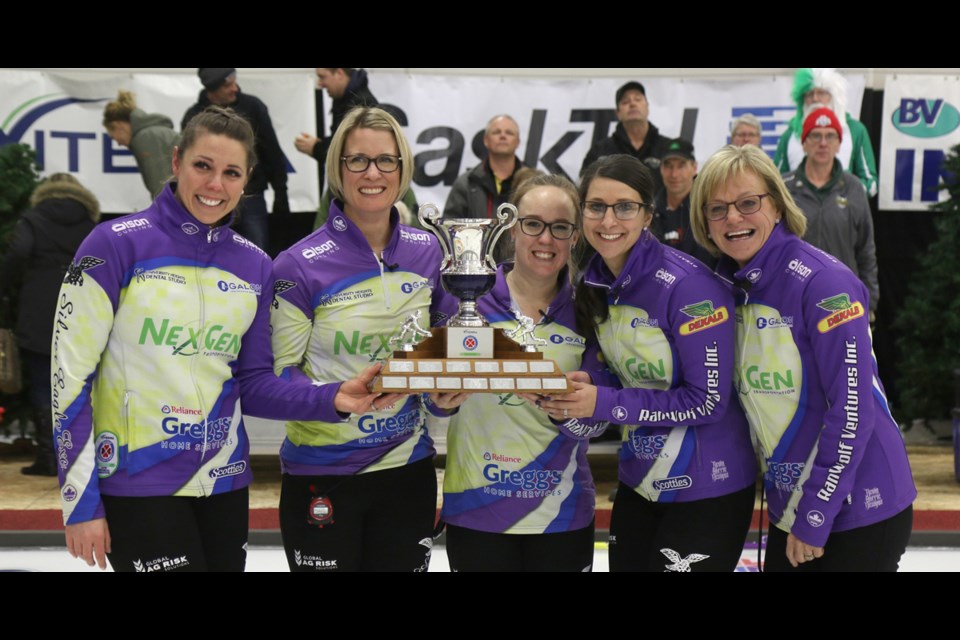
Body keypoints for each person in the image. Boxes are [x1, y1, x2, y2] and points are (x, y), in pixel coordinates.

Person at [53, 106, 388, 572]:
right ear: (176, 162)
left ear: (247, 180)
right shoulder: (113, 245)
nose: (215, 185)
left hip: (224, 484)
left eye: (231, 172)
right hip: (138, 482)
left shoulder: (255, 265)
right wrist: (80, 501)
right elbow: (68, 382)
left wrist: (334, 398)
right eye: (202, 166)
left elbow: (253, 382)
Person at [689, 144, 916, 571]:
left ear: (776, 205)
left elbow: (851, 411)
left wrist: (815, 514)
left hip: (857, 504)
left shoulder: (824, 282)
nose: (732, 218)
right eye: (716, 209)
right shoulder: (730, 288)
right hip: (790, 499)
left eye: (747, 202)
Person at [538, 154, 758, 572]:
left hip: (708, 486)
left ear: (647, 215)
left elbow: (708, 401)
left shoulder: (691, 287)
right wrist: (579, 388)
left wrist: (603, 402)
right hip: (640, 480)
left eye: (625, 207)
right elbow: (608, 369)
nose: (608, 220)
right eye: (596, 206)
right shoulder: (596, 281)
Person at [271, 107, 442, 572]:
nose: (373, 173)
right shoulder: (298, 264)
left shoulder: (431, 252)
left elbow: (443, 352)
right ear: (337, 169)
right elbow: (276, 379)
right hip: (323, 475)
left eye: (386, 161)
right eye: (357, 161)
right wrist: (335, 399)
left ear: (403, 169)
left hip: (407, 472)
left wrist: (447, 396)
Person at [433, 174, 610, 572]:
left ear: (576, 237)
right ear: (513, 228)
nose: (545, 239)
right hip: (478, 507)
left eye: (560, 227)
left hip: (560, 512)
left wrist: (567, 410)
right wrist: (440, 402)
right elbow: (439, 394)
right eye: (533, 224)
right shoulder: (465, 297)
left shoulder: (591, 310)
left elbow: (598, 425)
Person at [0, 174, 99, 476]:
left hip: (38, 306)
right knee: (81, 382)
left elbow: (18, 253)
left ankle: (48, 457)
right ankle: (81, 457)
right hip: (81, 306)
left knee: (43, 384)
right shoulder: (91, 224)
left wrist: (6, 284)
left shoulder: (33, 218)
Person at [182, 68, 290, 251]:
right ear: (212, 89)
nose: (235, 88)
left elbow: (271, 150)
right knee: (208, 253)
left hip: (251, 196)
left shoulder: (254, 107)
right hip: (210, 197)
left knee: (256, 253)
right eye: (227, 85)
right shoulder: (194, 118)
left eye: (234, 81)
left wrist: (281, 191)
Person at [784, 107, 879, 315]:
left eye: (830, 136)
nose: (823, 143)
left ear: (839, 143)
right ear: (804, 142)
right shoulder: (784, 188)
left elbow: (866, 249)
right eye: (816, 135)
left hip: (843, 300)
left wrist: (869, 303)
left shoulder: (853, 187)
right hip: (792, 297)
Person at [774, 68, 878, 197]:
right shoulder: (790, 134)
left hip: (841, 211)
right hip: (799, 213)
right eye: (809, 94)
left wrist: (847, 193)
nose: (815, 98)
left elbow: (870, 182)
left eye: (821, 93)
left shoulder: (854, 130)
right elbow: (775, 182)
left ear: (835, 97)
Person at [579, 81, 670, 194]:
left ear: (647, 107)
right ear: (618, 113)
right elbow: (583, 188)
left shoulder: (668, 149)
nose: (632, 104)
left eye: (637, 99)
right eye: (625, 101)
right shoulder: (600, 151)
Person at [651, 138, 716, 269]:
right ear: (661, 169)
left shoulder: (710, 208)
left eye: (681, 166)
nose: (674, 174)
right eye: (668, 166)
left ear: (694, 167)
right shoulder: (649, 211)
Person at [102, 90, 179, 199]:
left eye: (114, 137)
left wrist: (162, 213)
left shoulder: (145, 138)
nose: (118, 143)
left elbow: (160, 184)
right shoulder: (154, 133)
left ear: (118, 125)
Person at [294, 68, 378, 164]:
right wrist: (320, 143)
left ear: (339, 73)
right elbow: (340, 137)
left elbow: (351, 150)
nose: (320, 83)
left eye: (322, 77)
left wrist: (315, 147)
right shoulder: (344, 99)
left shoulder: (362, 103)